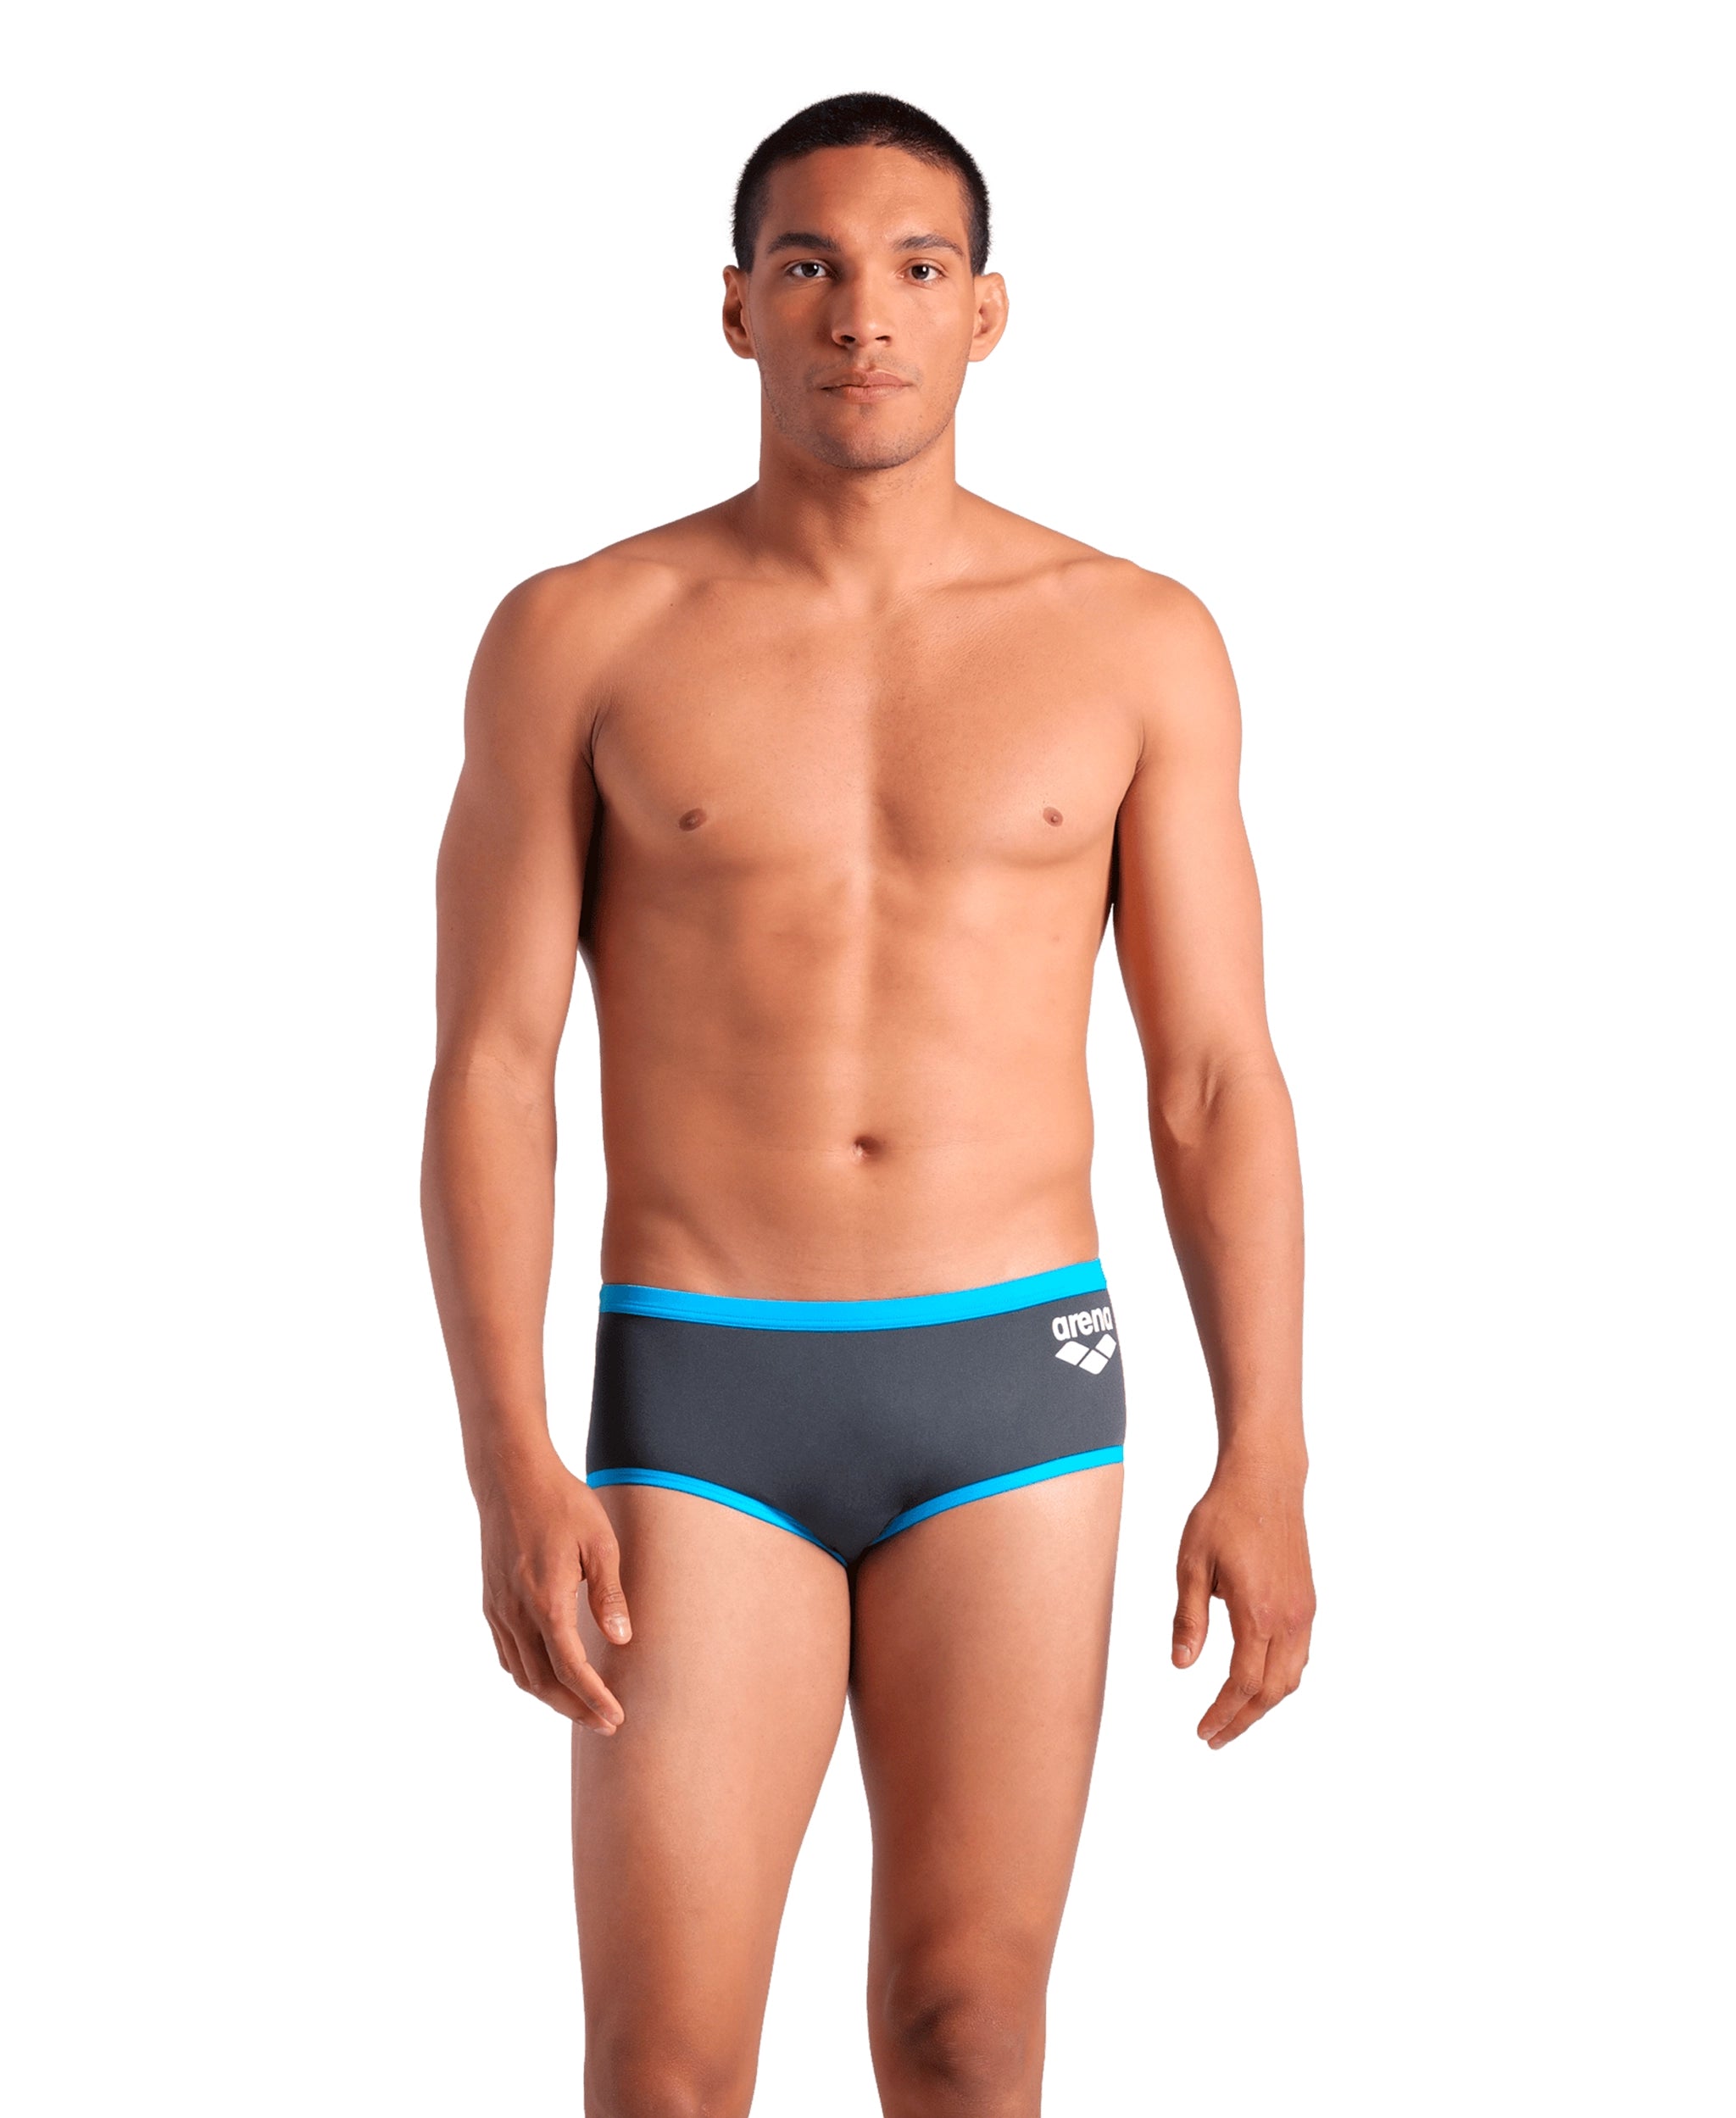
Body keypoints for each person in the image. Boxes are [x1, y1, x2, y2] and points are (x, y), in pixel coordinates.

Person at [422, 90, 1315, 2118]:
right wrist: (505, 1452)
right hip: (700, 1383)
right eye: (810, 266)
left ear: (986, 313)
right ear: (735, 308)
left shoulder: (1133, 639)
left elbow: (1211, 1073)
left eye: (916, 268)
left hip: (1011, 1375)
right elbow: (491, 1064)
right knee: (664, 2068)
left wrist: (1263, 1445)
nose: (862, 314)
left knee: (964, 2031)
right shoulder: (581, 635)